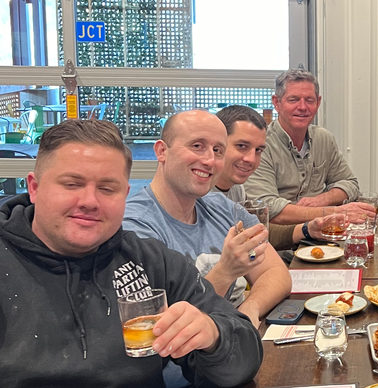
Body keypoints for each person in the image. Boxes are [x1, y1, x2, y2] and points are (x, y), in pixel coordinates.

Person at [0, 120, 261, 387]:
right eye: (72, 184)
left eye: (107, 189)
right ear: (34, 188)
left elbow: (244, 357)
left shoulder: (152, 261)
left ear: (125, 194)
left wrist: (214, 336)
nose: (90, 202)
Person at [122, 110, 291, 329]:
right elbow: (159, 328)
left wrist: (250, 309)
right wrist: (225, 272)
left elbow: (276, 272)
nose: (210, 160)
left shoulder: (222, 208)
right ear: (162, 151)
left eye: (218, 150)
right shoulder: (135, 228)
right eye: (197, 146)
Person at [214, 104, 356, 251]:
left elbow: (256, 234)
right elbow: (269, 210)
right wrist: (334, 212)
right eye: (241, 146)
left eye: (258, 150)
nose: (251, 159)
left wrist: (307, 230)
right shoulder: (202, 195)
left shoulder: (237, 189)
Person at [244, 68, 370, 225]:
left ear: (318, 103)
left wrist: (323, 199)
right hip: (280, 236)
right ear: (276, 102)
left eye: (309, 100)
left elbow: (350, 183)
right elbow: (266, 208)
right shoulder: (261, 145)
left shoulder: (324, 138)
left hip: (323, 231)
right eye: (293, 99)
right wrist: (336, 212)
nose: (302, 107)